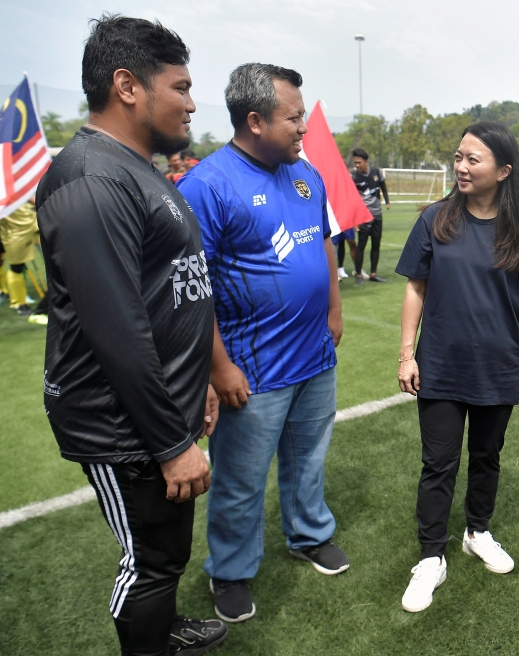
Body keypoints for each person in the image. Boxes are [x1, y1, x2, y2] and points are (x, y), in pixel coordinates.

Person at [35, 14, 228, 655]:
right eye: (180, 86)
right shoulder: (92, 177)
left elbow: (171, 289)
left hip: (163, 408)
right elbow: (116, 328)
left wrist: (197, 377)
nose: (191, 101)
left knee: (168, 548)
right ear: (127, 85)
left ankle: (167, 630)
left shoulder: (137, 165)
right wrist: (173, 443)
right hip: (126, 425)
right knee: (148, 559)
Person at [177, 62, 347, 624]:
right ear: (254, 121)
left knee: (309, 461)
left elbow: (322, 242)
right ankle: (229, 570)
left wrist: (334, 310)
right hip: (251, 367)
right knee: (241, 482)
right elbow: (191, 290)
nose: (303, 127)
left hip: (314, 356)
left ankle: (308, 534)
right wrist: (218, 365)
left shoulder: (306, 175)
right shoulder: (207, 185)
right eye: (293, 117)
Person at [395, 121, 519, 613]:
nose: (461, 166)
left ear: (504, 171)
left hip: (496, 368)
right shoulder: (435, 220)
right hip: (439, 366)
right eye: (458, 157)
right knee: (438, 463)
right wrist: (406, 353)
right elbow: (414, 287)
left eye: (473, 159)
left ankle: (477, 532)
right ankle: (430, 557)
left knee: (487, 458)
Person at [351, 148, 390, 284]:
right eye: (355, 162)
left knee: (376, 245)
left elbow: (383, 187)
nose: (357, 165)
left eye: (359, 162)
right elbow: (352, 200)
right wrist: (355, 220)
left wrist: (387, 202)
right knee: (361, 245)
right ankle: (359, 275)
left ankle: (373, 273)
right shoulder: (354, 177)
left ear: (366, 162)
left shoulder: (376, 172)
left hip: (377, 215)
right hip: (364, 217)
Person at [0, 198, 40, 316]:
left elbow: (29, 196)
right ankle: (18, 303)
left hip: (31, 222)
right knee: (15, 266)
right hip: (13, 231)